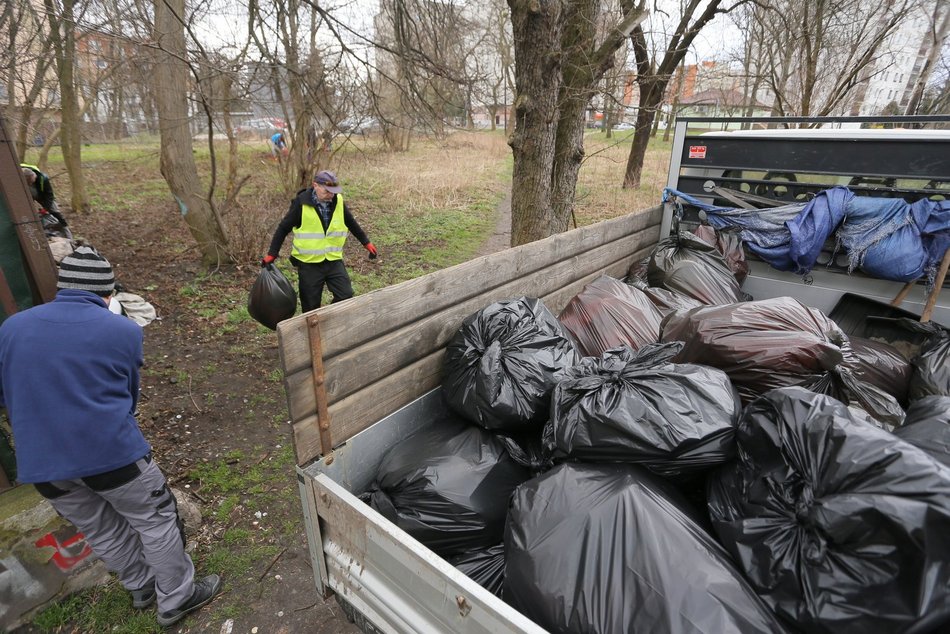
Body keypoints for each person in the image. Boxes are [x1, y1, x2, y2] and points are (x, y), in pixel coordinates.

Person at [0, 247, 222, 628]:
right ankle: (177, 598)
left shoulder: (12, 327)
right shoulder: (123, 330)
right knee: (155, 520)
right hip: (111, 455)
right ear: (107, 293)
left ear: (63, 286)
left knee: (100, 527)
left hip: (42, 466)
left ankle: (141, 587)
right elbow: (128, 396)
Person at [263, 169, 377, 313]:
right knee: (310, 307)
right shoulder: (301, 203)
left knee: (346, 294)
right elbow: (283, 228)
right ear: (315, 185)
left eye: (333, 191)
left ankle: (329, 320)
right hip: (309, 264)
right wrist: (272, 253)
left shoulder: (338, 201)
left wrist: (366, 242)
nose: (331, 194)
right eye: (327, 190)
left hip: (333, 260)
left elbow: (351, 223)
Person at [20, 164, 71, 238]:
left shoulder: (43, 178)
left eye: (31, 182)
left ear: (33, 176)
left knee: (54, 211)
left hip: (42, 194)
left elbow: (49, 195)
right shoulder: (18, 172)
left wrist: (46, 208)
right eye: (29, 183)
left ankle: (66, 232)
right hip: (27, 193)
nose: (31, 184)